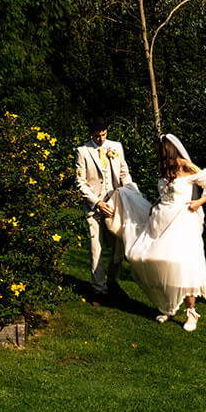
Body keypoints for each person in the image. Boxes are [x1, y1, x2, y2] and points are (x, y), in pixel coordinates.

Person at [125, 133, 206, 332]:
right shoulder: (163, 168)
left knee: (181, 263)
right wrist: (156, 203)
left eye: (160, 153)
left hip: (182, 220)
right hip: (161, 219)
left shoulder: (185, 165)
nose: (157, 157)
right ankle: (168, 306)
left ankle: (191, 312)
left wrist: (199, 202)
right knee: (145, 257)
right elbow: (165, 192)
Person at [74, 118, 146, 298]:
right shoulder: (82, 151)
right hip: (94, 207)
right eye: (97, 136)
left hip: (117, 204)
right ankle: (99, 290)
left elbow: (124, 173)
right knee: (95, 248)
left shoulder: (117, 146)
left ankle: (113, 282)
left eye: (104, 134)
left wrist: (131, 192)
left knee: (119, 246)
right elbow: (80, 182)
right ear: (91, 133)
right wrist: (97, 203)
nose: (101, 139)